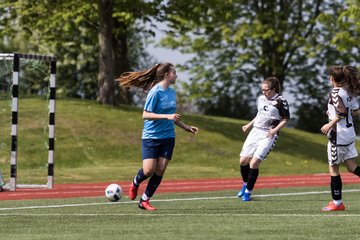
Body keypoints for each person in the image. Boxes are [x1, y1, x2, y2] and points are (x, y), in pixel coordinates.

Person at [116, 63, 198, 211]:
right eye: (174, 73)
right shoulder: (155, 92)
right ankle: (135, 182)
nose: (176, 75)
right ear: (167, 74)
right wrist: (167, 116)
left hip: (168, 137)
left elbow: (172, 117)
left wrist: (186, 127)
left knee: (160, 170)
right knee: (148, 170)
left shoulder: (172, 92)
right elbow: (145, 114)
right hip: (151, 137)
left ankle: (145, 200)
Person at [237, 77, 290, 201]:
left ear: (274, 89)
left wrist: (274, 130)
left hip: (268, 134)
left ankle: (248, 192)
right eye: (262, 90)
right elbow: (260, 114)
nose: (263, 92)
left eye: (266, 90)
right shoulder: (261, 99)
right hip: (255, 131)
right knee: (243, 161)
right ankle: (245, 184)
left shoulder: (280, 101)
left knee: (254, 163)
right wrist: (248, 125)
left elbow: (286, 119)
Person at [320, 65, 360, 211]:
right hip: (349, 134)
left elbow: (342, 112)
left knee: (333, 168)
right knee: (351, 167)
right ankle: (337, 202)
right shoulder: (348, 92)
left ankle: (337, 203)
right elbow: (355, 111)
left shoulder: (335, 93)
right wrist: (331, 112)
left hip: (338, 136)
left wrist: (329, 124)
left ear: (333, 79)